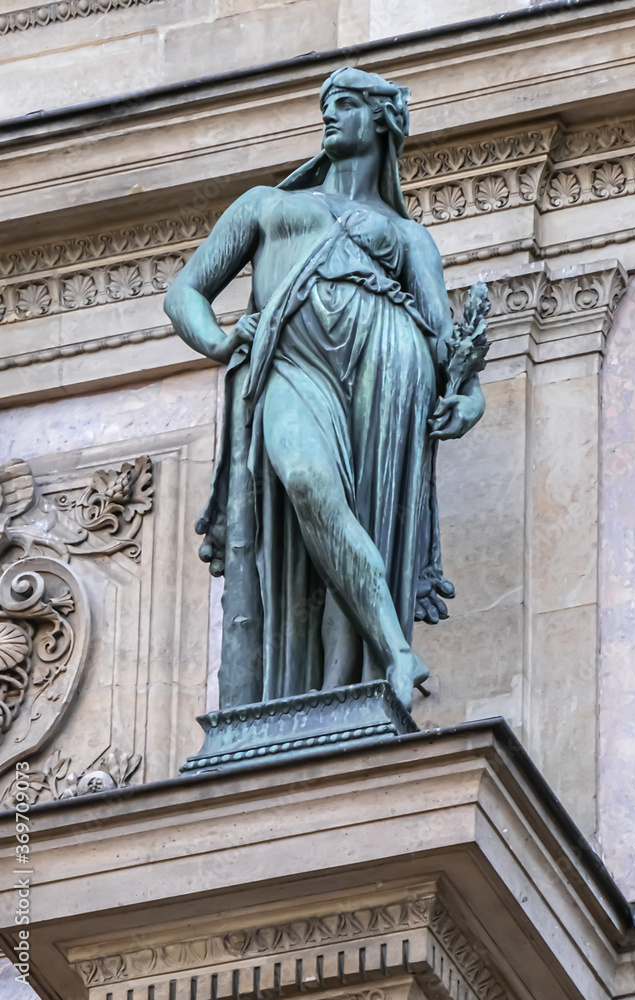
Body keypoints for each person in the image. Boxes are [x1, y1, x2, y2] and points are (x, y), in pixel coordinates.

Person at [164, 67, 486, 709]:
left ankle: (369, 670)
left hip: (387, 375)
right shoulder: (268, 204)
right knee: (309, 483)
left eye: (343, 105)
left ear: (381, 120)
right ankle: (397, 648)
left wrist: (469, 392)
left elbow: (445, 339)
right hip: (290, 363)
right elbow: (185, 291)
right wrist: (220, 340)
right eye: (325, 107)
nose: (328, 116)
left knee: (361, 508)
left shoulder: (409, 237)